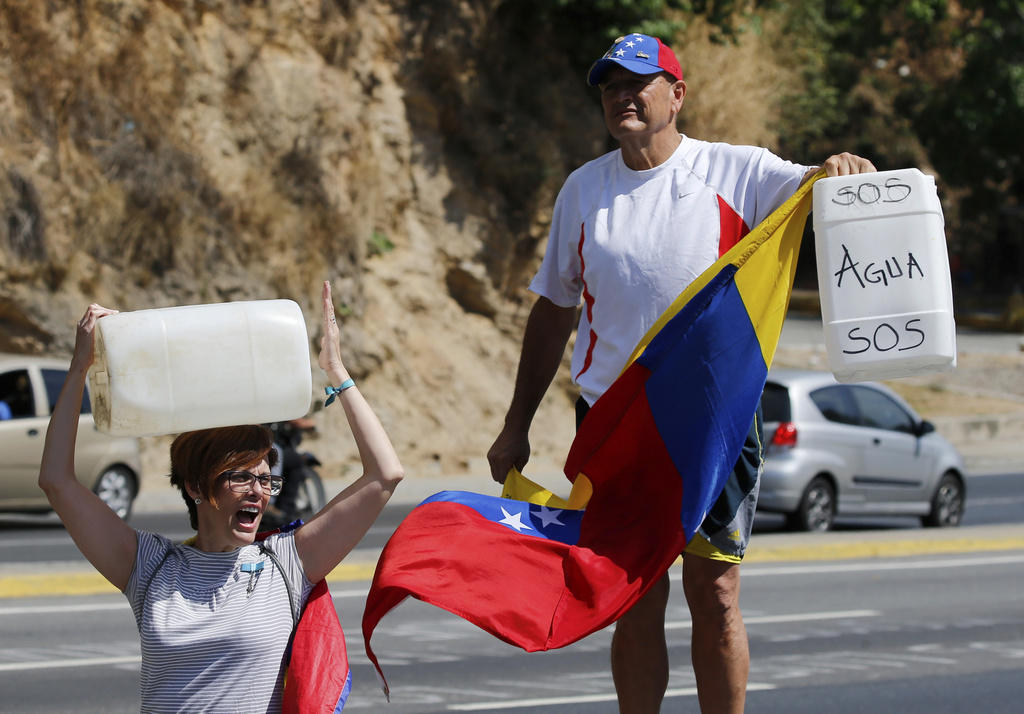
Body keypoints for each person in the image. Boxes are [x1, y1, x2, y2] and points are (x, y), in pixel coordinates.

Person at [487, 33, 876, 714]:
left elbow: (818, 187)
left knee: (716, 594)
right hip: (612, 422)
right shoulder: (584, 190)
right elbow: (552, 313)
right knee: (631, 599)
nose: (622, 96)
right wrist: (514, 427)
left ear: (677, 93)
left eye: (639, 82)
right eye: (610, 86)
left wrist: (842, 167)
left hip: (713, 421)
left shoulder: (736, 170)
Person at [38, 280, 403, 713]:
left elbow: (385, 474)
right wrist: (81, 368)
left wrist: (336, 372)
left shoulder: (286, 566)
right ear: (195, 486)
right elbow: (57, 481)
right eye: (242, 478)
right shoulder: (150, 567)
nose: (259, 492)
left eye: (267, 480)